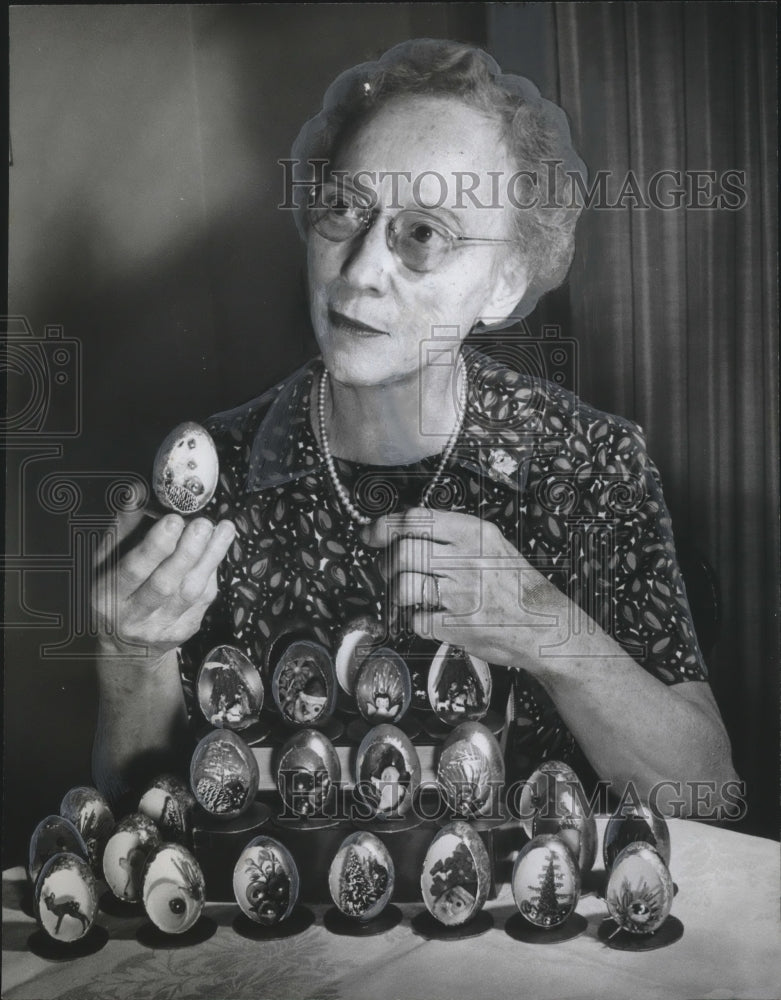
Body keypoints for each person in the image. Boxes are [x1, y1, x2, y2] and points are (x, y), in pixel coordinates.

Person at [92, 38, 737, 815]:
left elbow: (708, 797)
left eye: (423, 233)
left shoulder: (590, 461)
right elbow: (143, 819)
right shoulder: (212, 475)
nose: (359, 269)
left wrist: (545, 625)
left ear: (503, 282)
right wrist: (131, 658)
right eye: (343, 209)